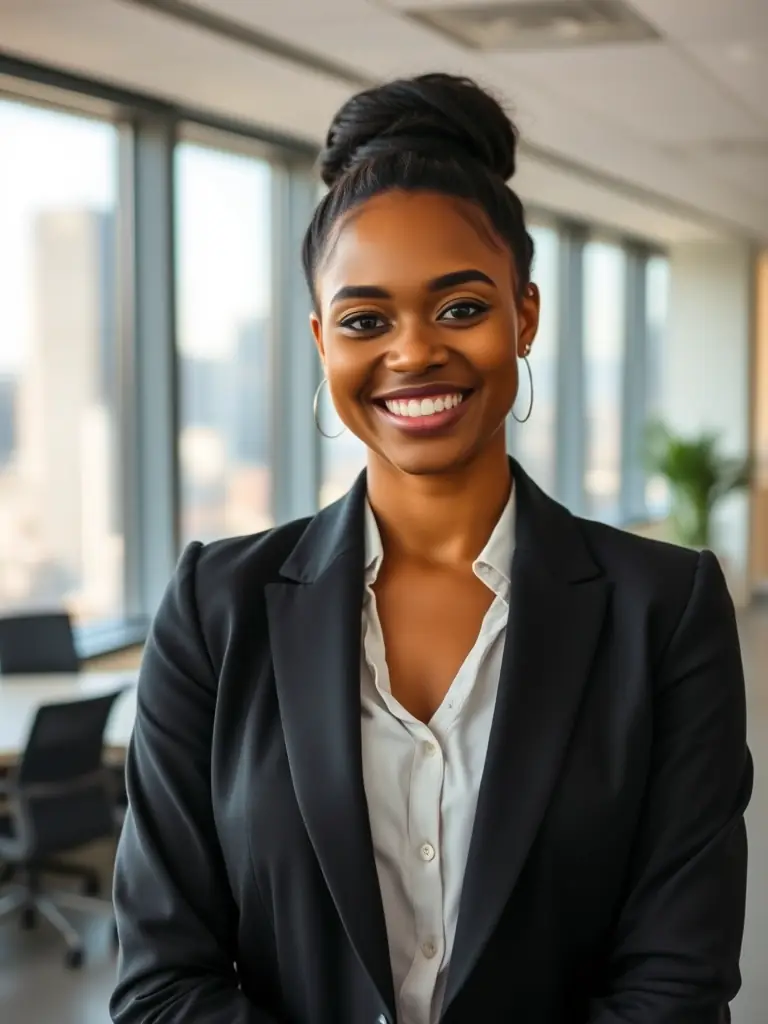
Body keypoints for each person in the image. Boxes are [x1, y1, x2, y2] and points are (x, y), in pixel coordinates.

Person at [110, 74, 752, 1024]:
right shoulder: (217, 606)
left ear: (524, 314)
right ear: (324, 340)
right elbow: (163, 983)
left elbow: (677, 983)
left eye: (460, 308)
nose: (413, 354)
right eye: (367, 321)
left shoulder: (665, 607)